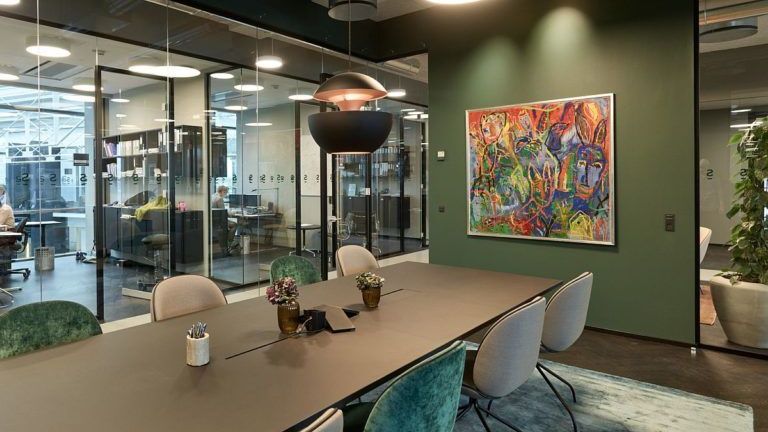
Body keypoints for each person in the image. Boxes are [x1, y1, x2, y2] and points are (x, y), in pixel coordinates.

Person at [212, 185, 238, 255]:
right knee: (234, 225)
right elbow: (223, 213)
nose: (226, 194)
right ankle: (229, 244)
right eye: (226, 192)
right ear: (222, 191)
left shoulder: (212, 196)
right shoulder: (219, 199)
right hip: (219, 221)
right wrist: (232, 213)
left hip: (213, 221)